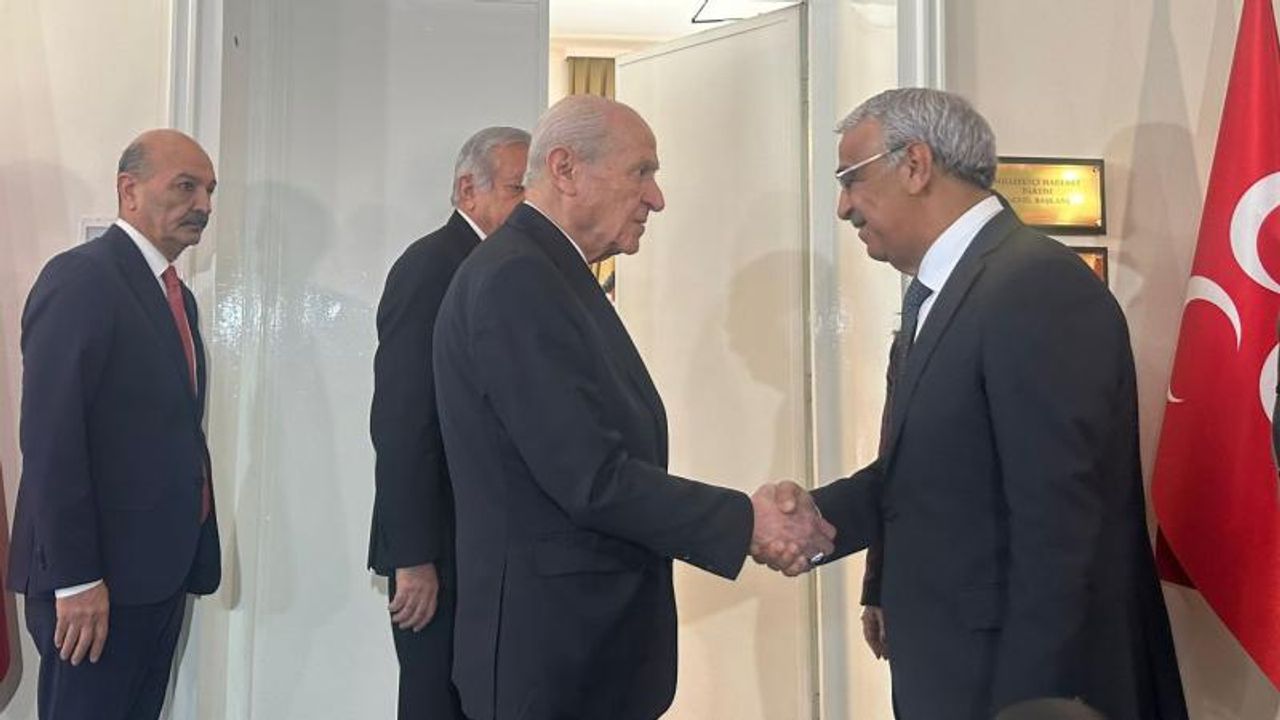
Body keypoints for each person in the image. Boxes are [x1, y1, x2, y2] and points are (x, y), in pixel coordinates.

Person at [764, 88, 1188, 719]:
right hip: (953, 668)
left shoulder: (1035, 285)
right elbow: (927, 471)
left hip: (1014, 681)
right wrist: (815, 517)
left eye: (850, 179)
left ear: (916, 165)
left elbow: (1060, 525)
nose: (844, 206)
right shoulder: (945, 293)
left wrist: (1033, 705)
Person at [432, 95, 834, 720]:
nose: (656, 198)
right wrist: (748, 522)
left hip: (579, 650)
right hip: (554, 658)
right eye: (640, 171)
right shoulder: (519, 278)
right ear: (565, 169)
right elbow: (590, 478)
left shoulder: (549, 271)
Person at [7, 129, 221, 719]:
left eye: (209, 190)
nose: (203, 205)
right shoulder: (81, 280)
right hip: (93, 585)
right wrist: (76, 580)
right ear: (129, 190)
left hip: (155, 575)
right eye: (185, 186)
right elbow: (51, 442)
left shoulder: (176, 296)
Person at [367, 125, 530, 719]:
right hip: (437, 548)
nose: (529, 205)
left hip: (484, 541)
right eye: (516, 189)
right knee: (435, 701)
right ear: (467, 190)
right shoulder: (432, 267)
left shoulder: (505, 268)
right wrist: (414, 557)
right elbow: (403, 420)